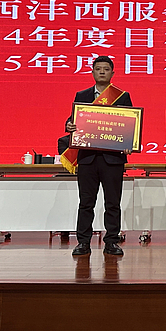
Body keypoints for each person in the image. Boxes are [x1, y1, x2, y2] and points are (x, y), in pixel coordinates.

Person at [65, 56, 132, 257]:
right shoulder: (82, 95)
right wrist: (69, 125)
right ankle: (83, 242)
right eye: (98, 68)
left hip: (112, 159)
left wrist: (129, 142)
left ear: (112, 73)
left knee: (113, 203)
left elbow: (129, 124)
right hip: (88, 158)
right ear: (92, 72)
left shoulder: (122, 96)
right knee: (86, 203)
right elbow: (73, 120)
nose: (102, 72)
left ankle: (111, 242)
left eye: (106, 69)